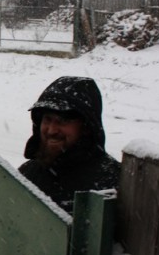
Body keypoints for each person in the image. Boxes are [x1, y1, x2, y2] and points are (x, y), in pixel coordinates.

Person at [18, 76, 120, 214]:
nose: (52, 130)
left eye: (63, 121)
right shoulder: (27, 175)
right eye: (47, 119)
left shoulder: (111, 181)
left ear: (85, 127)